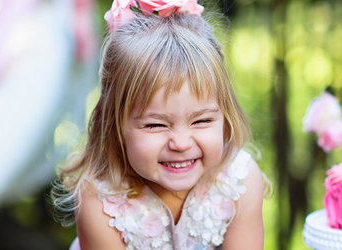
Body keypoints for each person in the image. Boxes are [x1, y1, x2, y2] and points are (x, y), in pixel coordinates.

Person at [54, 0, 266, 249]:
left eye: (202, 120)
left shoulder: (240, 181)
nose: (181, 143)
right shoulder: (98, 200)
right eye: (156, 125)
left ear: (224, 116)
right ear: (114, 125)